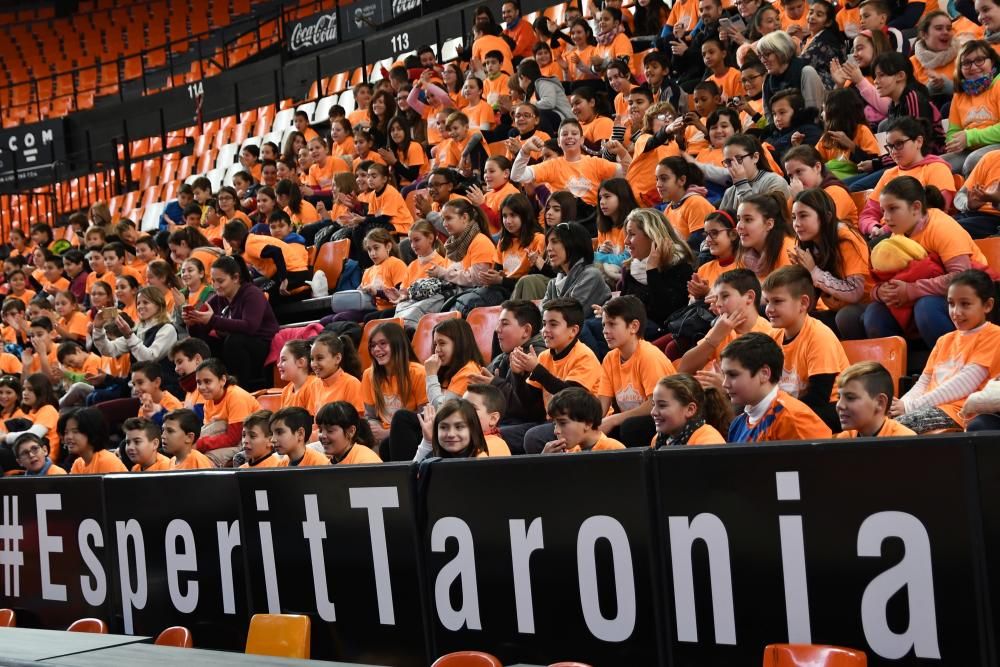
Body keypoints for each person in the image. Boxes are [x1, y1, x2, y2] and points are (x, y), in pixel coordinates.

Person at [863, 177, 989, 347]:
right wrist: (881, 292)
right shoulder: (897, 234)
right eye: (883, 211)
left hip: (974, 296)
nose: (885, 218)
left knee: (926, 307)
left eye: (893, 209)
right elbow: (884, 280)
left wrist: (911, 290)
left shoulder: (941, 226)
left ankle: (957, 359)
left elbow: (962, 278)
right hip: (922, 300)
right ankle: (904, 368)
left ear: (915, 208)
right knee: (874, 313)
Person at [892, 270, 1000, 434]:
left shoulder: (994, 336)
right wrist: (902, 403)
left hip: (960, 412)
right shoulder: (944, 340)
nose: (956, 312)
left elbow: (964, 384)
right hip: (929, 406)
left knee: (892, 429)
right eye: (951, 303)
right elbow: (923, 382)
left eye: (965, 304)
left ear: (987, 305)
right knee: (878, 422)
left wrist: (909, 407)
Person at [762, 265, 850, 431]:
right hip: (794, 407)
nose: (769, 309)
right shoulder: (772, 337)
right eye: (767, 301)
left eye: (777, 301)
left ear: (803, 303)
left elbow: (818, 397)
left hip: (832, 408)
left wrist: (776, 413)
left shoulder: (819, 335)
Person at [517, 298, 604, 454]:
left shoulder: (584, 356)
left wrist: (536, 370)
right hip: (554, 422)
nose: (545, 330)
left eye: (553, 324)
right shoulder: (543, 357)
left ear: (573, 330)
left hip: (582, 422)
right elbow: (528, 403)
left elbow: (571, 399)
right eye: (544, 324)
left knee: (533, 437)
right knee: (505, 433)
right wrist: (517, 375)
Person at [183, 256, 278, 392]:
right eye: (213, 281)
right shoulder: (217, 299)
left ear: (235, 278)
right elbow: (200, 335)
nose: (215, 286)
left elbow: (250, 327)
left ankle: (239, 390)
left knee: (235, 341)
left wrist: (213, 320)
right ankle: (211, 387)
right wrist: (192, 322)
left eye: (220, 281)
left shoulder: (252, 293)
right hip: (235, 347)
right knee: (204, 345)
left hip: (262, 345)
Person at [787, 188, 872, 339]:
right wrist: (802, 275)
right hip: (836, 310)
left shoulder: (847, 240)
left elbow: (855, 293)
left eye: (803, 216)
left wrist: (814, 272)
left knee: (846, 317)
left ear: (826, 217)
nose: (797, 224)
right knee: (796, 320)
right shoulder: (809, 244)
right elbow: (810, 298)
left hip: (866, 307)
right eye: (794, 217)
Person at [721, 332, 833, 441]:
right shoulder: (737, 425)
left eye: (733, 375)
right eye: (724, 375)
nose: (724, 384)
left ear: (764, 374)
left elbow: (825, 459)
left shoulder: (792, 419)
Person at [597, 296, 677, 445]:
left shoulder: (649, 356)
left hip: (665, 419)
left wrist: (613, 419)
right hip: (632, 421)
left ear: (633, 326)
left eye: (612, 324)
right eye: (603, 325)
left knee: (629, 427)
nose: (605, 331)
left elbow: (655, 404)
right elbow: (602, 404)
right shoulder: (609, 358)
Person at [857, 118, 955, 238]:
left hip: (919, 235)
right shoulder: (889, 174)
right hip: (886, 235)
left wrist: (886, 230)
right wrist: (873, 227)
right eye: (889, 146)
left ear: (918, 141)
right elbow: (867, 214)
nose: (893, 151)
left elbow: (934, 212)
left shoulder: (937, 168)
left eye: (899, 144)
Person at [511, 120, 628, 216]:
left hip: (592, 219)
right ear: (558, 141)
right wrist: (525, 150)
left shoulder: (596, 163)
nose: (569, 137)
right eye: (565, 134)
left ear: (582, 140)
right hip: (564, 220)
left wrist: (622, 152)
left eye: (574, 133)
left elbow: (630, 173)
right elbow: (517, 176)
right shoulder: (551, 165)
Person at [678, 268, 775, 373]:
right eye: (716, 298)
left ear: (749, 297)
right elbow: (684, 370)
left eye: (725, 296)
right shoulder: (722, 328)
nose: (718, 304)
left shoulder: (770, 334)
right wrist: (714, 337)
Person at [361, 321, 428, 448]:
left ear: (397, 344)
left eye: (383, 343)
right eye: (373, 345)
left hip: (413, 436)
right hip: (380, 436)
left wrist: (387, 433)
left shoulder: (418, 373)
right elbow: (370, 416)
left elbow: (424, 418)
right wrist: (374, 430)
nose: (376, 349)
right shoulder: (368, 375)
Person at [941, 40, 1000, 176]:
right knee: (938, 166)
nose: (973, 67)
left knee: (973, 161)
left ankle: (970, 197)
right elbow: (953, 131)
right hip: (969, 149)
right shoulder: (959, 95)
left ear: (992, 61)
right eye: (966, 63)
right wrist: (954, 142)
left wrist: (970, 137)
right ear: (960, 68)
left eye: (979, 60)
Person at [194, 358, 262, 467]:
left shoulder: (236, 396)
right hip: (231, 441)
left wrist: (199, 445)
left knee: (205, 459)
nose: (202, 387)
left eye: (207, 381)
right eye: (198, 382)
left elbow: (234, 438)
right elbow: (209, 431)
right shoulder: (208, 400)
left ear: (222, 380)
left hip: (246, 441)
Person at [784, 144, 860, 228]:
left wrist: (801, 198)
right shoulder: (796, 195)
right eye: (790, 176)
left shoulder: (836, 192)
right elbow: (784, 226)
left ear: (817, 167)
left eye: (799, 172)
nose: (795, 179)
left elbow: (820, 226)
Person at [538, 222, 611, 308]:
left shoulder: (591, 275)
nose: (549, 248)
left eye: (555, 242)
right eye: (548, 243)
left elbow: (571, 314)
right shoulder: (553, 284)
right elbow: (541, 316)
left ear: (574, 243)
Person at [756, 31, 827, 118]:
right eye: (760, 56)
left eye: (767, 54)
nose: (763, 60)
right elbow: (770, 120)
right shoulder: (767, 82)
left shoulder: (806, 72)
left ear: (781, 51)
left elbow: (813, 115)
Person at [835, 362, 915, 438]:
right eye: (839, 397)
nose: (839, 405)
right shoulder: (843, 439)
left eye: (850, 398)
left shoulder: (904, 441)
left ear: (880, 402)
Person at [650, 373, 730, 446]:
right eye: (653, 405)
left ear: (690, 409)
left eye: (662, 405)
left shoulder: (709, 441)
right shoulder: (658, 439)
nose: (653, 412)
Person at [541, 387, 626, 452]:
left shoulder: (614, 449)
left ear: (588, 423)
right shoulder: (571, 452)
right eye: (555, 424)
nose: (556, 431)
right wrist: (546, 461)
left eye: (562, 423)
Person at [719, 134, 790, 211]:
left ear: (755, 157)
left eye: (739, 159)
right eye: (728, 161)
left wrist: (741, 184)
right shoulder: (730, 192)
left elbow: (759, 216)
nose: (733, 165)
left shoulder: (775, 182)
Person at [735, 192, 795, 281]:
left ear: (769, 224)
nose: (739, 226)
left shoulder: (788, 250)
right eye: (739, 219)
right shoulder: (745, 254)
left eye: (748, 220)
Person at [415, 399, 492, 458]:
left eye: (459, 427)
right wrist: (427, 442)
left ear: (472, 430)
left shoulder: (482, 462)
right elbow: (413, 476)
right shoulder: (430, 460)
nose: (451, 434)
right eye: (443, 427)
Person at [309, 333, 365, 414]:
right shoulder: (314, 384)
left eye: (320, 358)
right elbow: (314, 420)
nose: (313, 364)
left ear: (337, 358)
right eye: (312, 359)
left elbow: (358, 420)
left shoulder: (351, 383)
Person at [61, 407, 128, 474]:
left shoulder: (107, 461)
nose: (68, 437)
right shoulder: (78, 464)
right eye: (66, 432)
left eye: (75, 431)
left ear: (92, 432)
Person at [315, 401, 383, 464]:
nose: (323, 436)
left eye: (330, 431)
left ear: (351, 431)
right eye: (320, 430)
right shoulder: (325, 461)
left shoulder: (366, 462)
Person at [954, 150, 1000, 239]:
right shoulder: (991, 157)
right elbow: (960, 196)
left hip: (996, 220)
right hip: (973, 214)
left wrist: (996, 201)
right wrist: (967, 204)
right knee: (934, 225)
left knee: (951, 230)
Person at [463, 384, 512, 457]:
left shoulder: (492, 445)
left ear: (493, 419)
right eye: (461, 405)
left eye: (472, 408)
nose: (461, 412)